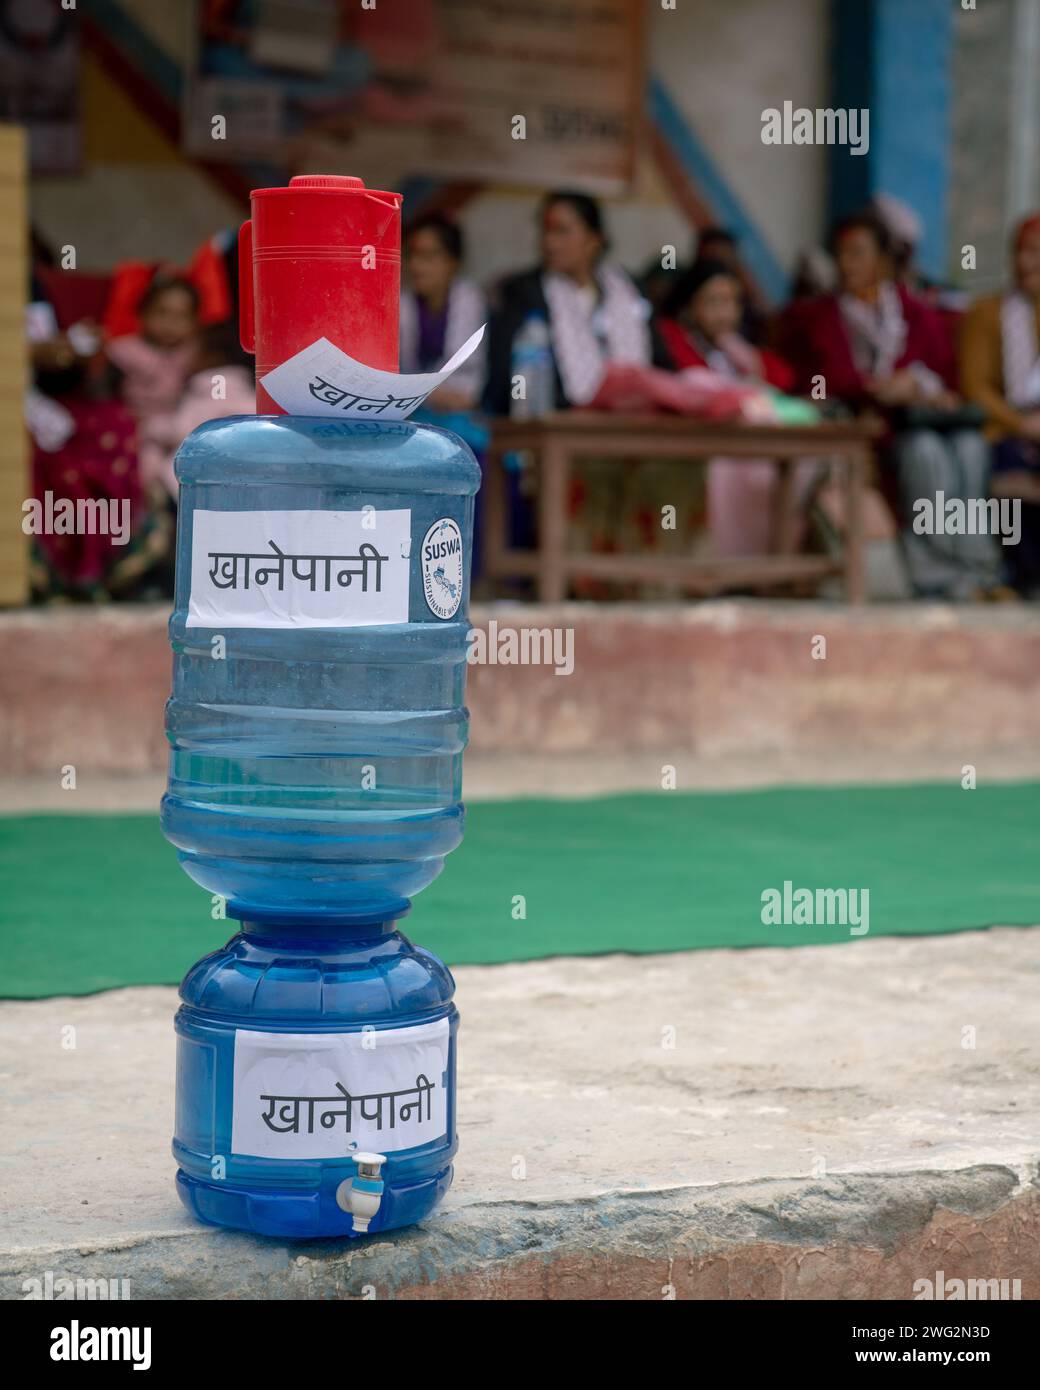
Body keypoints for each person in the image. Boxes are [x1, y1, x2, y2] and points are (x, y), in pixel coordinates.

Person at [780, 211, 1004, 600]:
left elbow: (949, 379)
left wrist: (921, 386)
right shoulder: (817, 317)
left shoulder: (917, 315)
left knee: (970, 449)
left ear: (884, 261)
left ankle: (976, 567)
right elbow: (807, 385)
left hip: (921, 419)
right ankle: (936, 572)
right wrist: (872, 388)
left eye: (858, 254)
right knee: (925, 454)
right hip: (870, 429)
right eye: (842, 254)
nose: (847, 265)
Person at [658, 259, 813, 556]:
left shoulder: (734, 348)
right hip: (699, 441)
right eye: (713, 301)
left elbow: (783, 378)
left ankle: (770, 561)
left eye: (731, 302)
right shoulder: (672, 336)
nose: (724, 312)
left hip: (747, 441)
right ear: (689, 307)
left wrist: (745, 359)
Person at [484, 190, 652, 416]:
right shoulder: (523, 292)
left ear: (594, 240)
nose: (549, 242)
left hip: (631, 420)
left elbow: (659, 362)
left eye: (561, 231)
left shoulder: (628, 289)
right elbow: (506, 374)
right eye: (545, 231)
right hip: (557, 420)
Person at [959, 213, 1040, 596]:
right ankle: (1023, 577)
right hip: (1004, 427)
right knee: (1013, 464)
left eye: (1037, 253)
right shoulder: (988, 313)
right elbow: (975, 387)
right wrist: (1022, 424)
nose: (1027, 262)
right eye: (1021, 252)